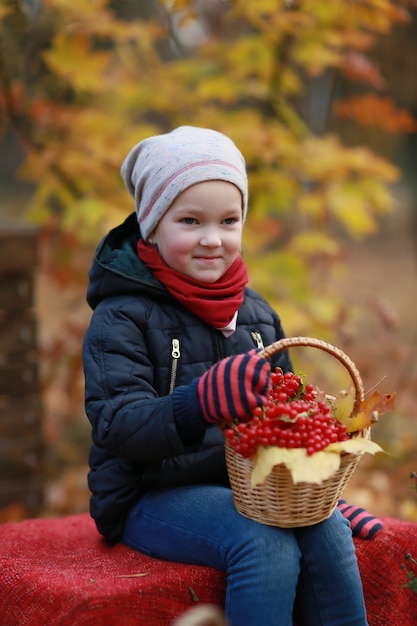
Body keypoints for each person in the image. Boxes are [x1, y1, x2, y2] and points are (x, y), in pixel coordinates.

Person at [82, 126, 368, 625]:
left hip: (248, 488)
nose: (212, 239)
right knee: (263, 540)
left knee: (327, 530)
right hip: (148, 493)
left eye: (228, 220)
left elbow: (291, 423)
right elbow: (116, 425)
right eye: (190, 220)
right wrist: (195, 403)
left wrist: (325, 493)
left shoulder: (255, 315)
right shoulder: (121, 316)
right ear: (151, 224)